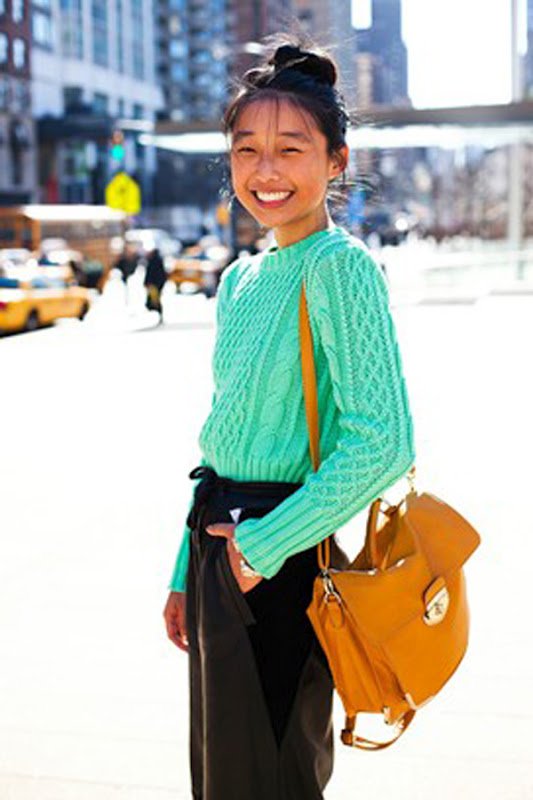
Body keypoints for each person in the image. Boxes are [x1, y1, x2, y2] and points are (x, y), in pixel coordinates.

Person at [163, 34, 416, 800]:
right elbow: (222, 441)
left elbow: (383, 443)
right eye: (246, 149)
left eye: (290, 149)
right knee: (220, 773)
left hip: (282, 551)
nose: (264, 170)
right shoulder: (241, 280)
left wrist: (261, 547)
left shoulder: (339, 267)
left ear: (335, 161)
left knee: (271, 775)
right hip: (221, 546)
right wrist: (185, 572)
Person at [143, 246, 167, 322]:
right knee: (154, 299)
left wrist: (147, 282)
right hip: (156, 284)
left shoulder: (154, 261)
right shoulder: (156, 261)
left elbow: (151, 274)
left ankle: (158, 312)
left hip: (154, 284)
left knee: (154, 299)